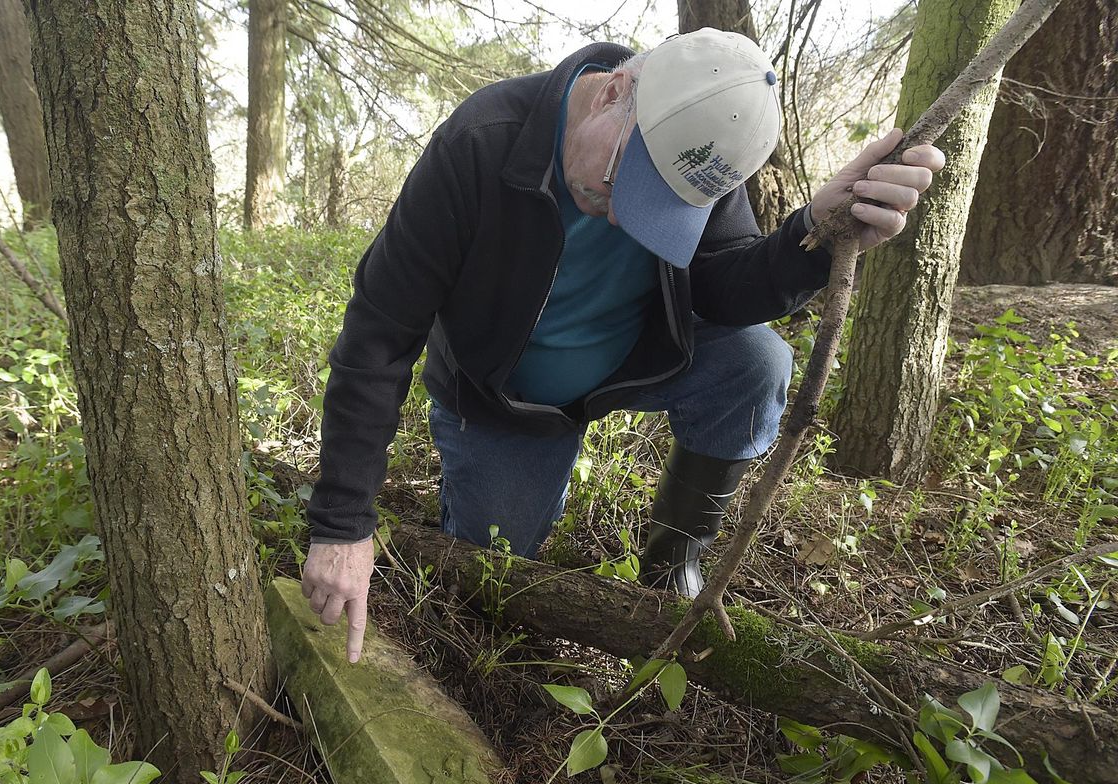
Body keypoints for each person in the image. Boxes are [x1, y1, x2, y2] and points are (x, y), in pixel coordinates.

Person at [300, 29, 945, 663]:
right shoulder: (481, 144)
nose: (620, 214)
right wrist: (342, 522)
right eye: (621, 181)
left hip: (630, 361)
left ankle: (672, 560)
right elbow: (380, 333)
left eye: (659, 203)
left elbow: (723, 282)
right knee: (490, 573)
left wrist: (814, 235)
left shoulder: (699, 149)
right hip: (507, 400)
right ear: (612, 93)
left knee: (758, 364)